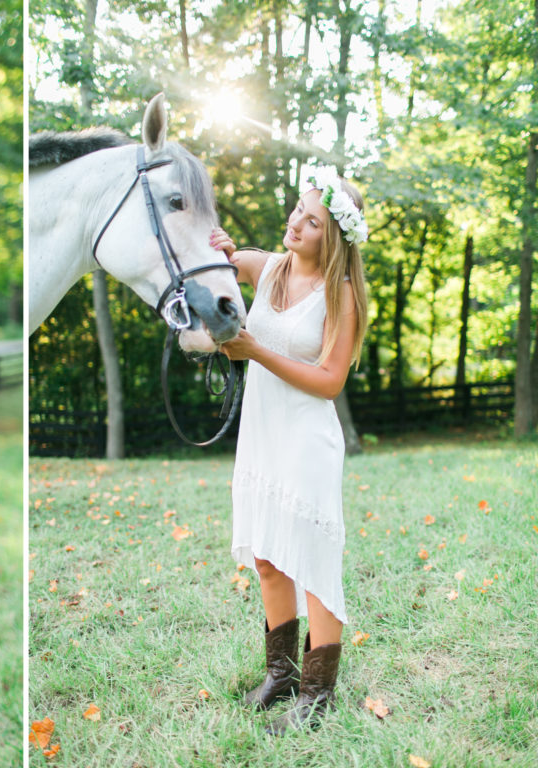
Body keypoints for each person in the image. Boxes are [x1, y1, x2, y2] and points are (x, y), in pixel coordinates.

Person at [210, 168, 368, 735]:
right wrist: (219, 248)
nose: (296, 223)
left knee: (312, 562)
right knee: (269, 557)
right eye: (298, 211)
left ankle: (318, 694)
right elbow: (217, 265)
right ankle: (281, 675)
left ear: (335, 237)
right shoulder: (267, 266)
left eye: (313, 221)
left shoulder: (340, 293)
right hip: (262, 432)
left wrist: (254, 350)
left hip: (306, 438)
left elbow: (329, 380)